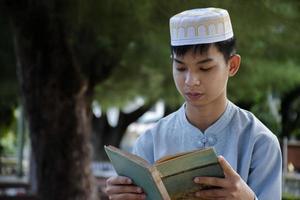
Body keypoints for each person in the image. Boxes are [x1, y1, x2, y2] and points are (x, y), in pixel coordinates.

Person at [105, 7, 282, 200]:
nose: (190, 81)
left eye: (205, 68)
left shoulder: (260, 142)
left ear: (232, 65)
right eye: (180, 68)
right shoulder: (150, 141)